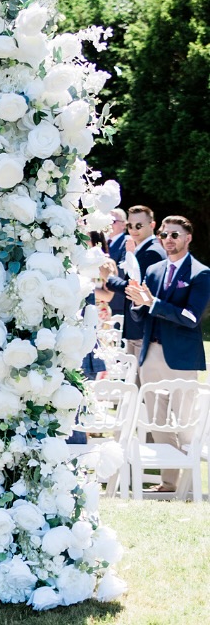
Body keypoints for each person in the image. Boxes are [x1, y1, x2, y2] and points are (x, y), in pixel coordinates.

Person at [125, 215, 210, 493]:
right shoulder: (154, 270)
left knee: (185, 423)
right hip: (150, 354)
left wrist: (154, 302)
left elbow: (191, 318)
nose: (168, 240)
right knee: (157, 421)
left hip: (181, 358)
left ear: (188, 238)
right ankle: (169, 484)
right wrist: (137, 302)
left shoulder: (201, 273)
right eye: (164, 235)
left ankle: (190, 484)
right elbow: (142, 314)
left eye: (175, 234)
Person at [103, 204, 165, 359]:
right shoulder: (142, 249)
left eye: (139, 225)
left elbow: (137, 290)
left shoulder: (151, 253)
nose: (133, 230)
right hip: (138, 328)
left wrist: (109, 277)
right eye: (130, 225)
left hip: (143, 329)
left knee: (141, 381)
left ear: (152, 225)